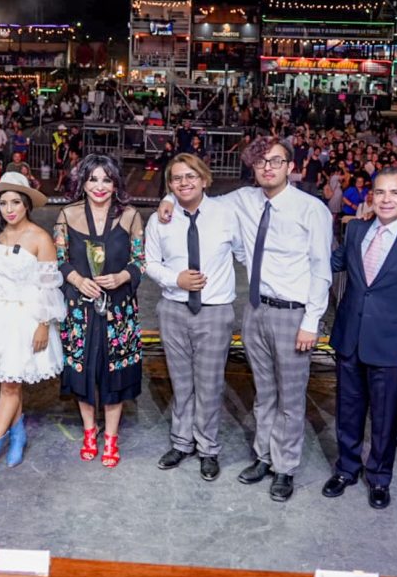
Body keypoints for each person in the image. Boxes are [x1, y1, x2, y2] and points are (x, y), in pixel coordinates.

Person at [157, 135, 332, 504]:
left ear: (291, 167)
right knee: (264, 395)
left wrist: (311, 321)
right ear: (253, 167)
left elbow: (321, 269)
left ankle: (285, 469)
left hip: (292, 313)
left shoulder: (311, 209)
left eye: (277, 161)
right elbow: (195, 194)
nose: (268, 168)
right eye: (261, 162)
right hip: (255, 310)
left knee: (290, 398)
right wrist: (167, 200)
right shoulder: (243, 200)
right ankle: (264, 458)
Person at [325, 167, 397, 509]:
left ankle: (379, 477)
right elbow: (330, 263)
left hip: (393, 345)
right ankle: (346, 469)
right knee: (347, 411)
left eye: (394, 193)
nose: (386, 199)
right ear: (371, 197)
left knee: (384, 416)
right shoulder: (357, 230)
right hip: (350, 338)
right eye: (380, 192)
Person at [145, 154, 243, 481]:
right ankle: (181, 442)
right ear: (169, 185)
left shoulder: (226, 214)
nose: (184, 183)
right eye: (176, 179)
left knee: (210, 384)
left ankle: (208, 449)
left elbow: (243, 251)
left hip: (214, 311)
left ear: (204, 179)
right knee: (182, 382)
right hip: (173, 309)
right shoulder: (161, 219)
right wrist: (177, 280)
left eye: (191, 176)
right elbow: (150, 263)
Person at [0, 172, 63, 477]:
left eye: (16, 202)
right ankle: (17, 433)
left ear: (26, 204)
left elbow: (49, 286)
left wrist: (43, 324)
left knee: (9, 384)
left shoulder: (40, 238)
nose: (10, 208)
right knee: (9, 379)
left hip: (27, 317)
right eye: (4, 203)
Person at [54, 154, 145, 468]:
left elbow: (139, 262)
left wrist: (122, 277)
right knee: (83, 372)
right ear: (83, 182)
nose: (100, 186)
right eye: (93, 179)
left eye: (106, 179)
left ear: (116, 182)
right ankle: (89, 432)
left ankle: (111, 438)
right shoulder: (67, 214)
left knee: (114, 373)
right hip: (80, 309)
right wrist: (78, 280)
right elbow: (59, 260)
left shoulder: (130, 215)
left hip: (118, 309)